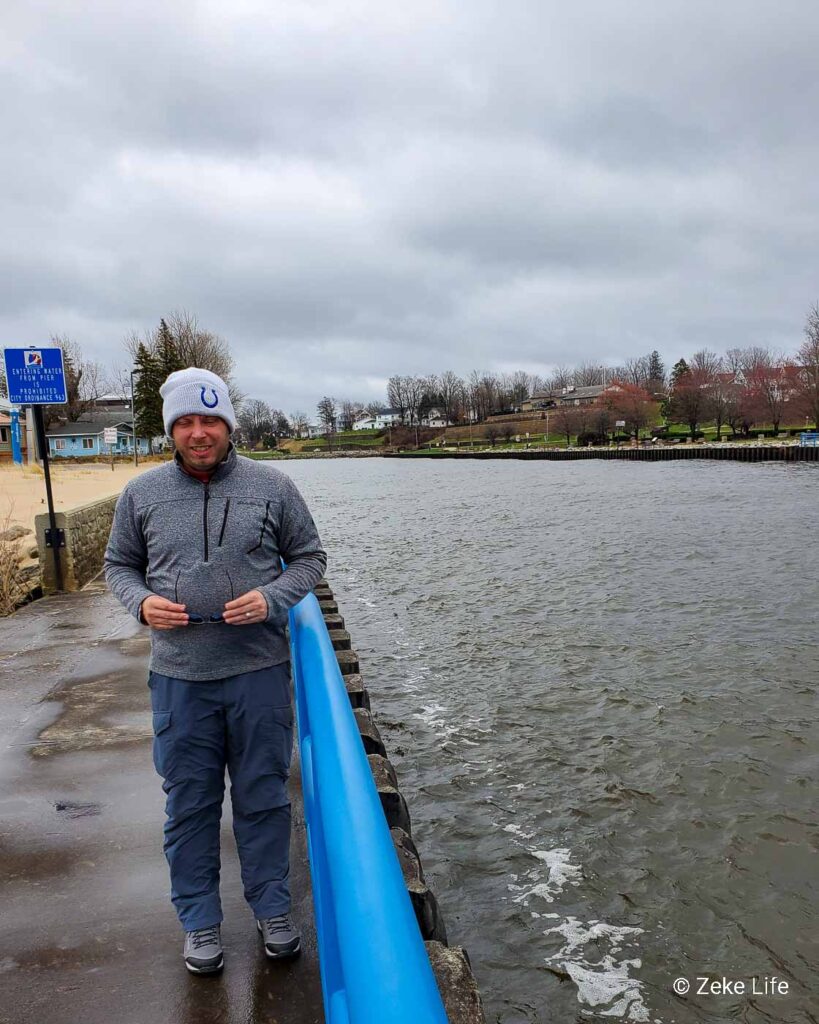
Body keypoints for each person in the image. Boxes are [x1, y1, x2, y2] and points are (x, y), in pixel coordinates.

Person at [104, 367, 326, 975]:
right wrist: (142, 604)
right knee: (190, 806)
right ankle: (200, 922)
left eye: (210, 421)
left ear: (228, 425)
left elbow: (309, 558)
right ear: (172, 428)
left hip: (258, 671)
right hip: (179, 680)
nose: (199, 433)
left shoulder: (273, 486)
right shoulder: (140, 495)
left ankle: (272, 909)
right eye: (186, 422)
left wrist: (274, 597)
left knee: (262, 798)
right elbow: (118, 566)